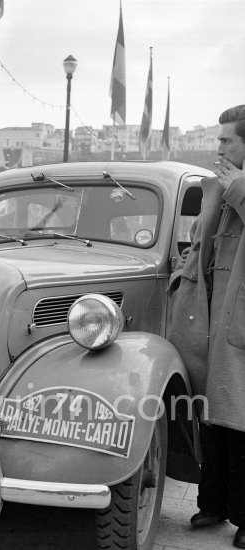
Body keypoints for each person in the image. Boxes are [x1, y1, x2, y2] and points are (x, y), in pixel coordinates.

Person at [167, 105, 245, 549]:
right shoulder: (218, 186)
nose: (217, 147)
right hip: (210, 316)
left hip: (240, 325)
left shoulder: (234, 188)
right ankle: (212, 504)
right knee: (212, 417)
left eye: (226, 140)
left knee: (240, 420)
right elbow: (199, 246)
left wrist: (240, 191)